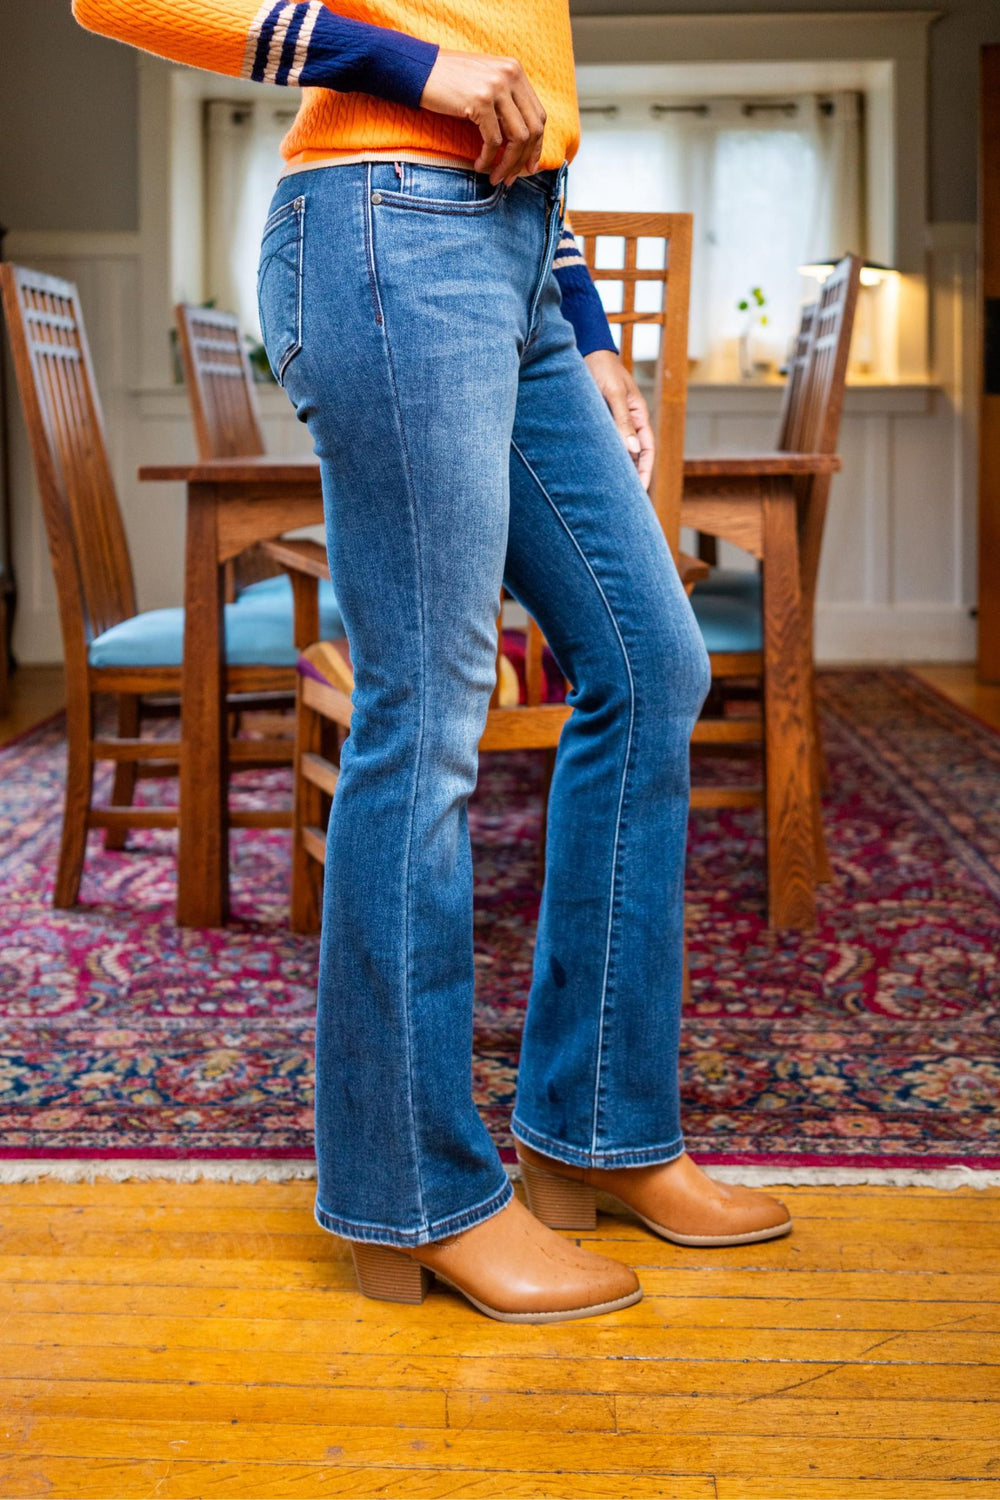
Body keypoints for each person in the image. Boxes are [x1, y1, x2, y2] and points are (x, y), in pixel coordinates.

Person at [72, 0, 793, 1324]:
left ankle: (600, 1130)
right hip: (387, 229)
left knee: (653, 664)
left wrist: (587, 326)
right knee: (427, 713)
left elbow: (526, 84)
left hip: (519, 248)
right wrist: (414, 68)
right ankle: (413, 1195)